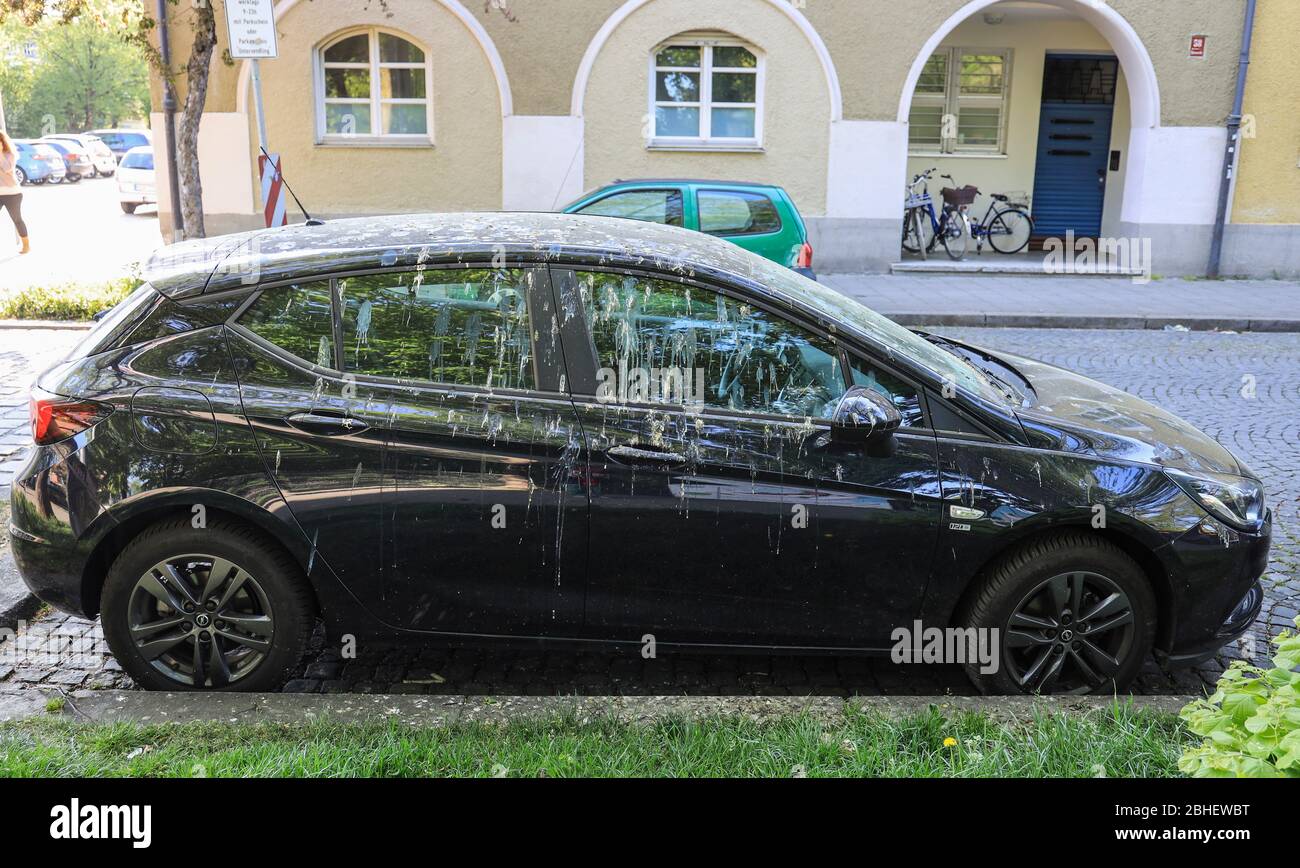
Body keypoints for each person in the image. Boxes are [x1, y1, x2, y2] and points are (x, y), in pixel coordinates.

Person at [0, 130, 30, 254]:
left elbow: (7, 168)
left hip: (12, 194)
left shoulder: (9, 155)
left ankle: (26, 246)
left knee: (17, 219)